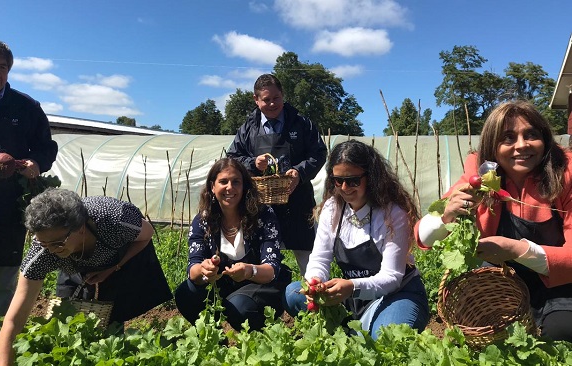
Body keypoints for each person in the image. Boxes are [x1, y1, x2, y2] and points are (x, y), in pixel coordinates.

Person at [416, 100, 572, 342]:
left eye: (531, 134)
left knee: (562, 332)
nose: (522, 145)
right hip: (500, 285)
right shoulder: (481, 176)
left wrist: (515, 249)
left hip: (560, 284)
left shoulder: (565, 174)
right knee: (486, 335)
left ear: (545, 139)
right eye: (508, 138)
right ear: (493, 145)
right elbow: (422, 237)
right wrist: (447, 214)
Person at [0, 188, 173, 365]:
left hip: (119, 257)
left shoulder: (116, 220)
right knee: (66, 318)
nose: (50, 250)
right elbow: (14, 319)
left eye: (57, 243)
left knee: (112, 317)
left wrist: (113, 268)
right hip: (74, 262)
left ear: (80, 228)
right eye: (43, 243)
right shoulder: (43, 253)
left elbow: (146, 235)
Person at [284, 140, 429, 339]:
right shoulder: (332, 209)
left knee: (387, 336)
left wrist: (351, 287)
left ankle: (355, 333)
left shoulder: (391, 213)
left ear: (370, 177)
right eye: (338, 180)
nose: (345, 187)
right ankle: (352, 333)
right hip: (353, 299)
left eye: (353, 181)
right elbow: (320, 258)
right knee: (294, 293)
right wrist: (315, 282)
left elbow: (392, 278)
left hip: (396, 295)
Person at [0, 37, 58, 321]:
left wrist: (36, 162)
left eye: (2, 67)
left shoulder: (25, 107)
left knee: (1, 278)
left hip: (6, 208)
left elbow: (46, 148)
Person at [227, 74, 327, 275]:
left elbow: (319, 152)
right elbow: (233, 157)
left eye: (276, 98)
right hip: (260, 206)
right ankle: (265, 300)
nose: (272, 103)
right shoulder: (248, 128)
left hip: (298, 203)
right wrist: (253, 163)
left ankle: (317, 299)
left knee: (309, 261)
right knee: (261, 258)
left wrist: (299, 172)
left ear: (283, 96)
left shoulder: (301, 123)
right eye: (266, 99)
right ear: (256, 100)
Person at [174, 158, 291, 330]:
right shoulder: (202, 221)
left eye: (236, 182)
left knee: (239, 306)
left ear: (244, 186)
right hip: (222, 286)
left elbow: (271, 269)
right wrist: (204, 270)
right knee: (186, 293)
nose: (230, 187)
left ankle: (263, 339)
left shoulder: (263, 215)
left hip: (260, 284)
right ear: (212, 187)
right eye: (223, 182)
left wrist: (249, 271)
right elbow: (193, 268)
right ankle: (216, 342)